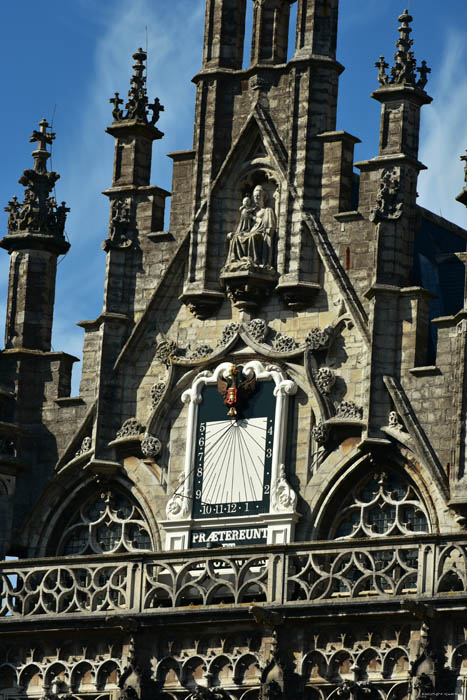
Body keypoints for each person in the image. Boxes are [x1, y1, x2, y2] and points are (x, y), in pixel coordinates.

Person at [226, 185, 276, 271]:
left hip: (260, 234)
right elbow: (244, 226)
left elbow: (268, 226)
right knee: (236, 238)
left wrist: (253, 217)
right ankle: (237, 261)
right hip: (250, 232)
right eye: (255, 196)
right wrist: (237, 232)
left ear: (263, 197)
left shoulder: (268, 210)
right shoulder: (251, 210)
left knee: (253, 236)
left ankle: (254, 261)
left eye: (258, 196)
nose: (256, 198)